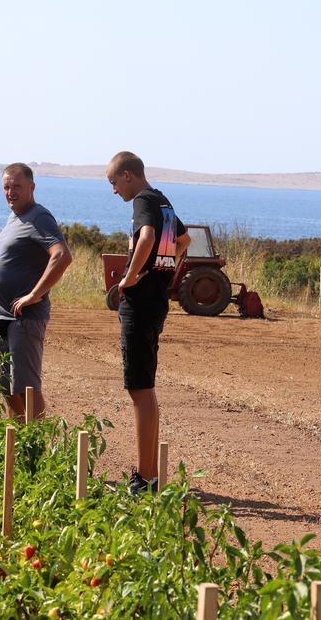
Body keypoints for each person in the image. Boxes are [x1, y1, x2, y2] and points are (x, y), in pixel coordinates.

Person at [106, 151, 190, 495]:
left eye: (113, 183)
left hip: (140, 306)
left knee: (138, 388)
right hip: (156, 303)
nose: (114, 191)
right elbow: (183, 241)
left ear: (128, 175)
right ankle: (149, 474)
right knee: (145, 388)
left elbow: (147, 238)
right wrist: (164, 270)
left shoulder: (143, 200)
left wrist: (129, 278)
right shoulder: (163, 200)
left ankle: (144, 480)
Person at [0, 163, 72, 421]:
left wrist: (35, 294)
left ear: (32, 188)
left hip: (24, 316)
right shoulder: (15, 218)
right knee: (5, 385)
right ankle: (21, 442)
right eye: (6, 187)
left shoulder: (38, 216)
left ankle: (38, 447)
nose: (11, 192)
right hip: (2, 316)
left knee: (26, 387)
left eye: (17, 187)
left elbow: (62, 255)